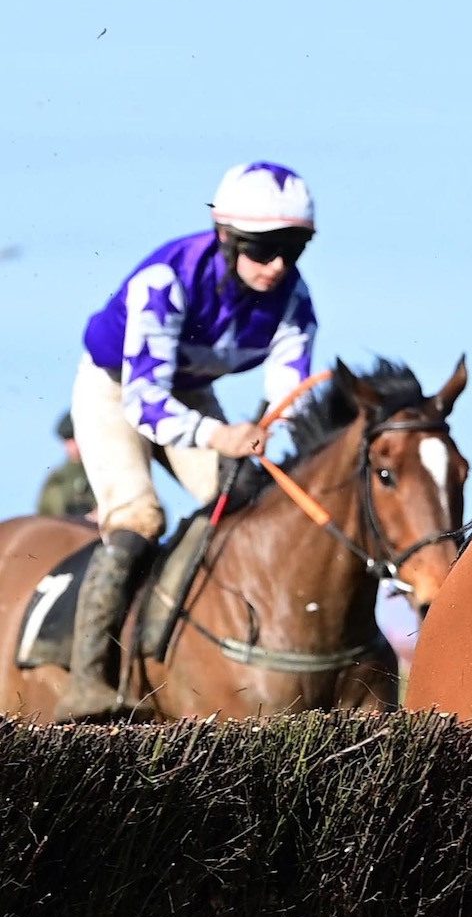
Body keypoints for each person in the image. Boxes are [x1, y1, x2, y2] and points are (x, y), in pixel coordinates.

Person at [56, 162, 319, 721]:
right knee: (139, 521)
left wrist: (269, 435)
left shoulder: (295, 302)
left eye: (292, 250)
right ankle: (87, 682)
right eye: (261, 248)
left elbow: (289, 402)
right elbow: (146, 404)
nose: (276, 267)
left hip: (191, 394)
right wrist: (224, 434)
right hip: (117, 390)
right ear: (225, 236)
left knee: (247, 501)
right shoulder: (168, 278)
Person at [36, 411, 97, 520]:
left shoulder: (105, 472)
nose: (73, 446)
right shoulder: (56, 479)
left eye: (76, 438)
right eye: (68, 440)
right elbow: (43, 516)